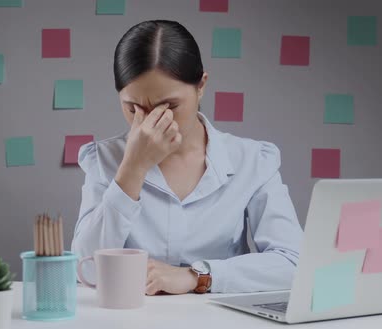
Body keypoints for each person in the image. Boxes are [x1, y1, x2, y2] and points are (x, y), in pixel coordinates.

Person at [71, 20, 303, 295]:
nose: (152, 122)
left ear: (201, 86)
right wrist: (132, 168)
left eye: (168, 106)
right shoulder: (104, 160)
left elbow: (293, 263)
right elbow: (84, 271)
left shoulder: (252, 160)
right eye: (133, 108)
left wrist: (197, 276)